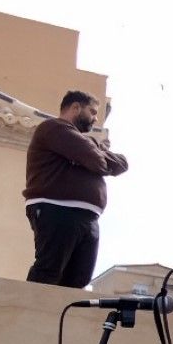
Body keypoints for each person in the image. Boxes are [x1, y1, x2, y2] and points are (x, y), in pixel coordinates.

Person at [24, 89, 128, 288]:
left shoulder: (80, 141)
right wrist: (96, 153)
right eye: (92, 111)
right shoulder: (54, 128)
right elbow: (96, 160)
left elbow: (122, 164)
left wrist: (92, 153)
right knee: (49, 270)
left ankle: (60, 317)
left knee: (78, 279)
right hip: (56, 209)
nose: (95, 118)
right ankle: (29, 314)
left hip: (88, 217)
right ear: (75, 107)